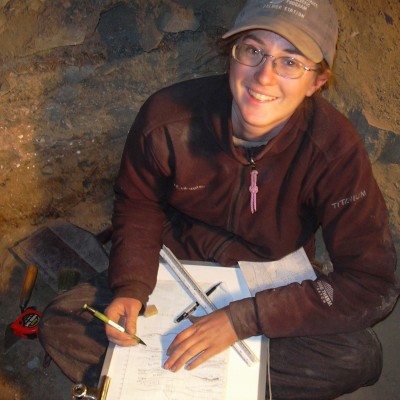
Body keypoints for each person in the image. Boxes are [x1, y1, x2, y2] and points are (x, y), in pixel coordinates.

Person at [39, 0, 400, 399]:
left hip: (269, 277)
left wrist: (243, 319)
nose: (264, 76)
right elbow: (138, 203)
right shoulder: (166, 119)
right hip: (175, 266)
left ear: (318, 80)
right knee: (61, 322)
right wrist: (130, 285)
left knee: (359, 357)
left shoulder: (335, 149)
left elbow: (372, 284)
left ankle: (167, 383)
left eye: (291, 62)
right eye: (254, 51)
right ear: (233, 54)